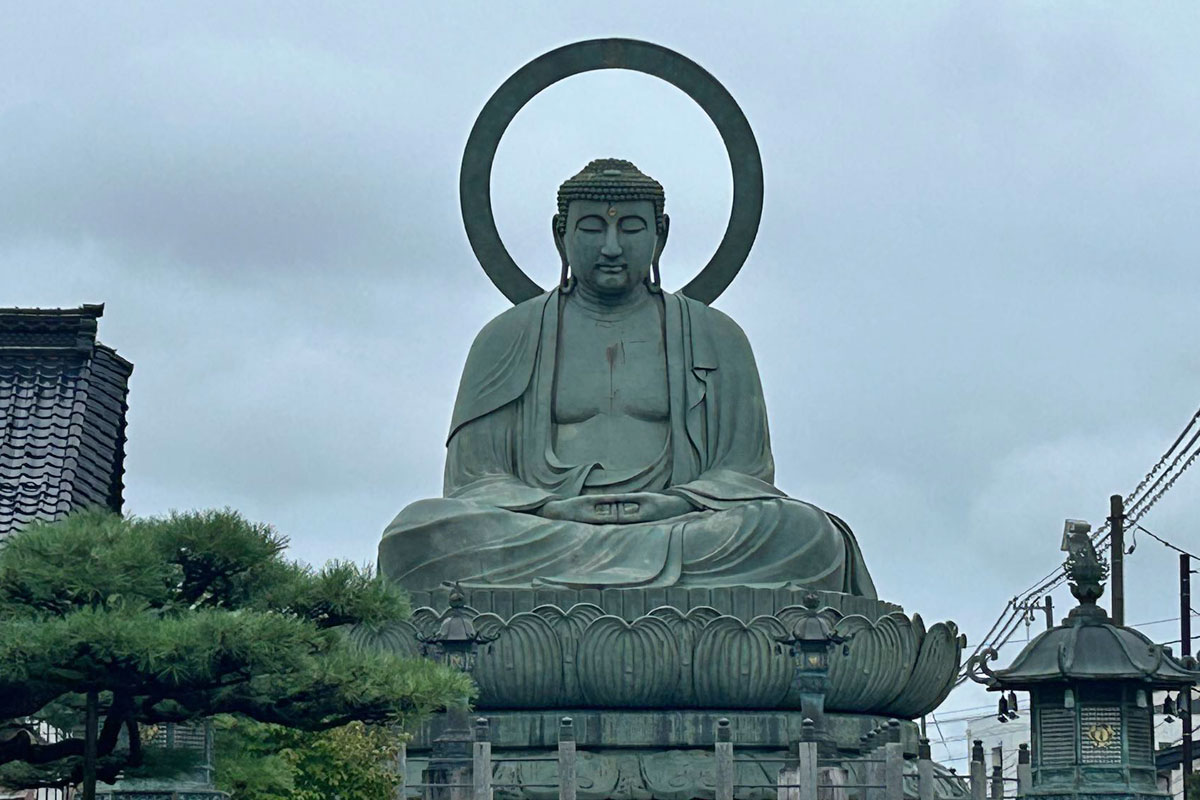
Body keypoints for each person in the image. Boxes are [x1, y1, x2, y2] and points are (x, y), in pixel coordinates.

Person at [378, 159, 875, 596]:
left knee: (803, 532)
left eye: (632, 228)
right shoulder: (506, 337)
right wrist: (554, 511)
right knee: (420, 533)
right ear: (560, 233)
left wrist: (673, 504)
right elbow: (474, 480)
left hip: (680, 528)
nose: (612, 246)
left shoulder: (716, 336)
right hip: (544, 530)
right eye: (592, 228)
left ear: (660, 234)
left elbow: (746, 475)